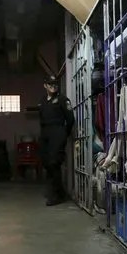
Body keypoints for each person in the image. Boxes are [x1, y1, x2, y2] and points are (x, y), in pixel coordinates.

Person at [39, 75, 75, 206]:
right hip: (45, 134)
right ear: (45, 85)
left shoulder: (62, 99)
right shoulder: (43, 101)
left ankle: (57, 195)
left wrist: (63, 133)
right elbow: (41, 119)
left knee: (54, 163)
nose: (53, 86)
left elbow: (70, 119)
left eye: (55, 84)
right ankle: (56, 191)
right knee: (47, 163)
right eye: (50, 84)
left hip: (58, 133)